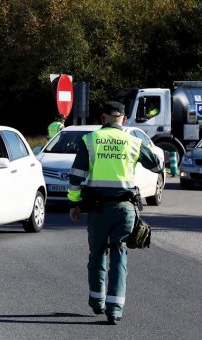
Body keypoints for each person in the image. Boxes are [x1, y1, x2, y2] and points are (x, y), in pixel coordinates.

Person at [67, 101, 163, 325]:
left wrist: (74, 204)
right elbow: (157, 166)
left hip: (98, 209)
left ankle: (97, 302)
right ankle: (115, 310)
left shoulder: (90, 140)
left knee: (97, 254)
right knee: (119, 256)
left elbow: (75, 177)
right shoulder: (133, 142)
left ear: (102, 118)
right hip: (125, 209)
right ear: (125, 119)